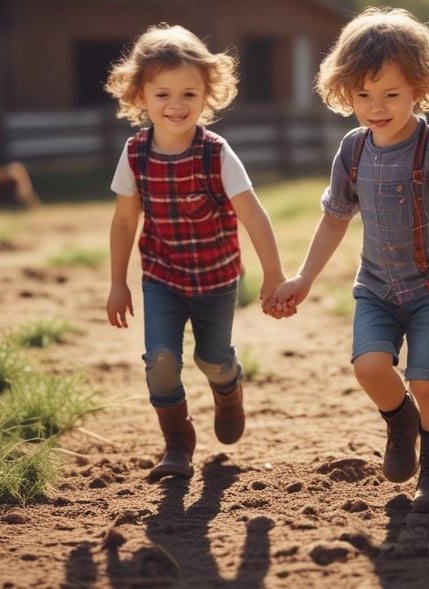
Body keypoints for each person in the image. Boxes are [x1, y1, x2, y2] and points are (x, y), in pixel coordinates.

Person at [269, 6, 429, 513]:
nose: (376, 107)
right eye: (363, 95)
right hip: (377, 289)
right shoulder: (352, 150)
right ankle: (401, 422)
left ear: (420, 86)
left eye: (391, 94)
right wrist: (304, 276)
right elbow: (334, 218)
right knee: (370, 367)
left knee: (427, 380)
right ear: (345, 92)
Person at [105, 23, 287, 482]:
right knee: (161, 361)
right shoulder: (134, 154)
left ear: (207, 94)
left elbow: (254, 216)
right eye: (162, 94)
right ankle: (178, 443)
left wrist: (273, 274)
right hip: (162, 277)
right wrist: (116, 282)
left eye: (189, 94)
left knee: (212, 359)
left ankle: (229, 392)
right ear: (139, 95)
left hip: (216, 279)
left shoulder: (217, 154)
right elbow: (125, 221)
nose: (176, 105)